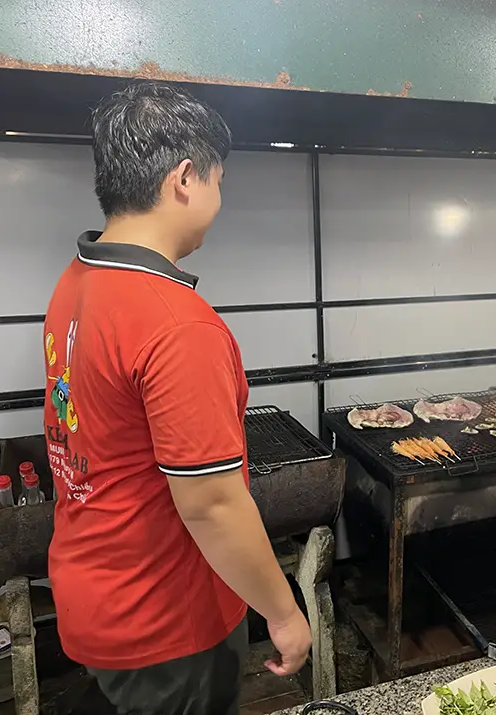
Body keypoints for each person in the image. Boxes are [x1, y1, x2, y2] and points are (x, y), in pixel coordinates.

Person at [42, 82, 311, 714]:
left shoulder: (77, 280)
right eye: (221, 180)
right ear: (186, 179)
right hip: (165, 618)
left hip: (94, 589)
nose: (219, 199)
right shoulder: (177, 322)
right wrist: (282, 610)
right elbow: (213, 504)